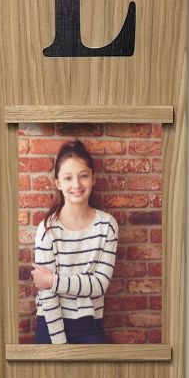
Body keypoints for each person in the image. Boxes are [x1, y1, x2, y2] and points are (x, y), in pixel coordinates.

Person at [32, 140, 118, 344]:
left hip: (90, 325)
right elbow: (48, 296)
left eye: (83, 176)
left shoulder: (107, 226)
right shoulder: (47, 230)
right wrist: (61, 347)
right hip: (51, 323)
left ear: (93, 179)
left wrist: (53, 281)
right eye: (68, 178)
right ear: (58, 183)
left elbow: (99, 285)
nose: (77, 185)